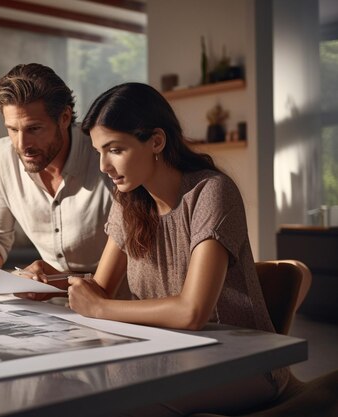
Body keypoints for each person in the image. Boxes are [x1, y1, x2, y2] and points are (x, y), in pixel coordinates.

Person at [67, 82, 289, 416]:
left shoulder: (211, 192)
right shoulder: (128, 199)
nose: (103, 166)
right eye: (99, 151)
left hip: (243, 363)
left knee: (118, 404)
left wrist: (98, 308)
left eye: (115, 149)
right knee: (75, 390)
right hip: (168, 355)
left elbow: (191, 312)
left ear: (156, 140)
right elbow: (99, 289)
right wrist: (50, 284)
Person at [0, 63, 113, 280]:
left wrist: (59, 280)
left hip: (117, 303)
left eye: (34, 129)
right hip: (50, 303)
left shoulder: (104, 158)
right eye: (12, 129)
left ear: (65, 117)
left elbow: (137, 259)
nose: (22, 144)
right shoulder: (1, 158)